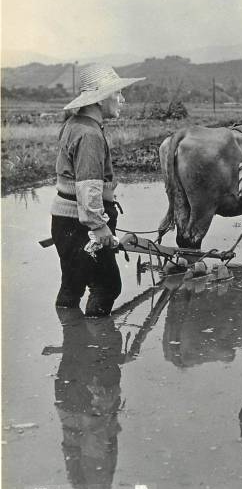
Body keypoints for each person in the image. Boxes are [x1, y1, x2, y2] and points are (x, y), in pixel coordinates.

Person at [50, 63, 145, 317]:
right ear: (100, 98)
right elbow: (88, 186)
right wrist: (99, 227)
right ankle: (96, 351)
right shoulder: (89, 134)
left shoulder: (74, 124)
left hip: (65, 224)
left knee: (72, 287)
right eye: (117, 94)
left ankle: (72, 346)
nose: (122, 100)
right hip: (83, 227)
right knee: (107, 286)